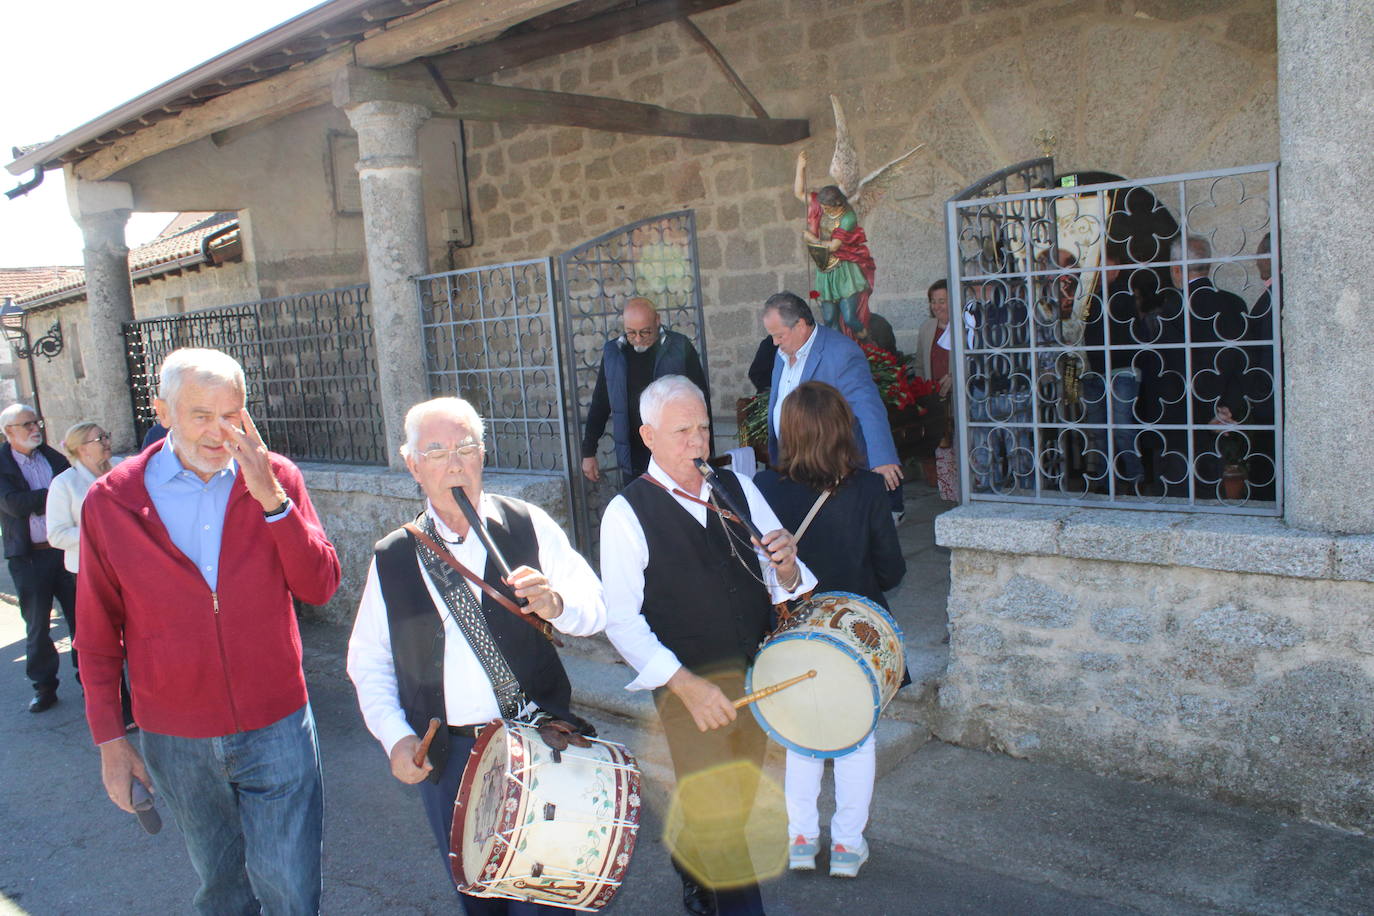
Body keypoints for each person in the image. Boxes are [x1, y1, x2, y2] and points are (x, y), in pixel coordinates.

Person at [77, 347, 341, 915]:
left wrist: (272, 499)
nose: (221, 432)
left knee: (292, 890)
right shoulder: (112, 500)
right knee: (220, 889)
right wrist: (110, 742)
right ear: (163, 412)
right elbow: (96, 633)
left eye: (233, 414)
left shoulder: (277, 479)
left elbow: (320, 586)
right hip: (175, 736)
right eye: (201, 415)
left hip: (278, 723)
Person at [347, 396, 606, 915]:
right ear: (413, 465)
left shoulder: (526, 524)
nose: (454, 462)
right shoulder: (395, 556)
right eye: (437, 451)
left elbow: (595, 611)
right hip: (453, 760)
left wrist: (557, 603)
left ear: (483, 454)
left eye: (465, 447)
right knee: (480, 902)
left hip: (538, 744)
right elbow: (367, 660)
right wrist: (398, 740)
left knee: (546, 900)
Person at [601, 375, 816, 916]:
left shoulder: (737, 488)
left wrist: (787, 566)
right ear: (647, 436)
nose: (698, 443)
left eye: (703, 428)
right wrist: (684, 685)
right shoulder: (626, 513)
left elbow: (787, 582)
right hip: (686, 689)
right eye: (682, 432)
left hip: (751, 677)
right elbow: (621, 622)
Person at [754, 382, 906, 879]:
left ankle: (801, 839)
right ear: (844, 428)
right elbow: (892, 571)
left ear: (788, 432)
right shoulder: (864, 488)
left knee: (801, 738)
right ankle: (846, 845)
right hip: (855, 641)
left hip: (795, 634)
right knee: (856, 741)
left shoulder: (764, 486)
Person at [761, 292, 904, 521]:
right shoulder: (782, 353)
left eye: (779, 335)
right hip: (792, 462)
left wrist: (882, 458)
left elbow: (868, 406)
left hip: (830, 465)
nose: (775, 343)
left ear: (799, 325)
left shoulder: (841, 352)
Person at [45, 421, 133, 728]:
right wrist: (98, 533)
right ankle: (118, 710)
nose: (107, 442)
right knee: (101, 643)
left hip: (130, 570)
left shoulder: (120, 471)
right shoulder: (65, 484)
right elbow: (56, 535)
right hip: (87, 575)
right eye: (100, 439)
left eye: (106, 435)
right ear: (81, 447)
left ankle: (145, 701)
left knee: (137, 637)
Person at [581, 297, 710, 487]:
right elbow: (600, 403)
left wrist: (707, 453)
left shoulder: (679, 347)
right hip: (633, 457)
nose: (638, 339)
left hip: (675, 454)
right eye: (631, 333)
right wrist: (588, 452)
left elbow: (702, 402)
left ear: (657, 321)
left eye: (645, 332)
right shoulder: (613, 353)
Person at [0, 403, 77, 713]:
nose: (36, 429)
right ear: (8, 433)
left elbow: (73, 490)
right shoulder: (1, 464)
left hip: (64, 551)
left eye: (37, 422)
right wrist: (54, 495)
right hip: (29, 558)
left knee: (80, 619)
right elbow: (14, 505)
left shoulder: (53, 456)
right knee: (37, 626)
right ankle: (44, 687)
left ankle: (91, 680)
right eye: (27, 424)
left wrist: (45, 498)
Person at [793, 151, 876, 340]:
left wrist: (810, 239)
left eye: (826, 208)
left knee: (849, 318)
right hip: (825, 270)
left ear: (837, 204)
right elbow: (799, 193)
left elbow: (834, 246)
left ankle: (869, 346)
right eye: (821, 207)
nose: (821, 210)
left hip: (844, 270)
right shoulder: (821, 205)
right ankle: (839, 355)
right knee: (829, 319)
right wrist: (800, 166)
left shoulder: (848, 216)